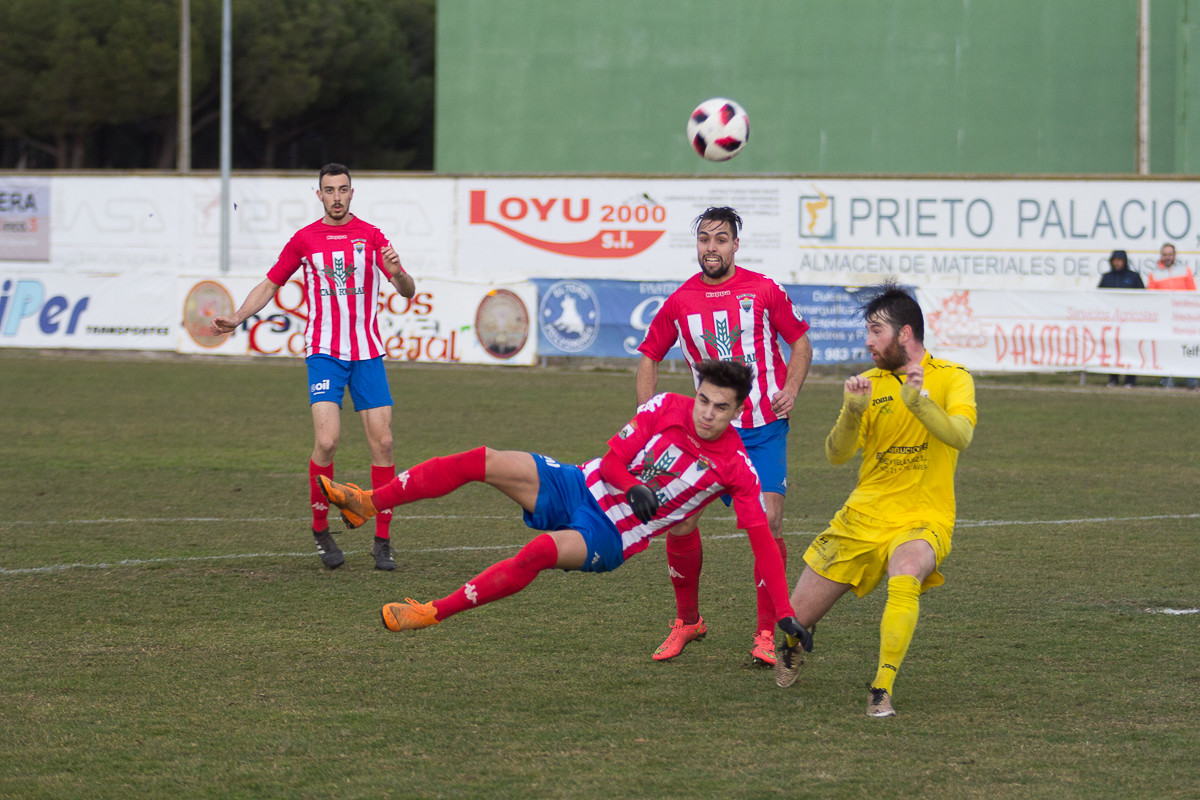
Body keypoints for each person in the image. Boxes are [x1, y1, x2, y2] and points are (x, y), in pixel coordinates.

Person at [315, 359, 811, 659]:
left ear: (737, 411)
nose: (706, 413)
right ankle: (366, 503)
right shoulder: (664, 407)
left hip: (611, 535)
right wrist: (631, 483)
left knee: (537, 552)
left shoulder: (738, 469)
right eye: (703, 400)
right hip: (578, 482)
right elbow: (615, 457)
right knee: (479, 460)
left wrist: (785, 613)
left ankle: (430, 612)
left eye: (719, 408)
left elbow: (761, 541)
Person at [773, 282, 976, 719]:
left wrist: (918, 403)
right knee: (793, 619)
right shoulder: (865, 384)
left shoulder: (952, 377)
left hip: (923, 517)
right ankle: (791, 647)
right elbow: (836, 454)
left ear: (905, 334)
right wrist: (851, 412)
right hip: (862, 517)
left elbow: (961, 436)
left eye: (875, 330)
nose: (867, 340)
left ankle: (881, 688)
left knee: (907, 570)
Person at [209, 163, 416, 570]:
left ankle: (383, 541)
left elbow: (407, 290)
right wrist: (237, 317)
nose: (336, 196)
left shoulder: (372, 237)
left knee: (385, 443)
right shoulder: (304, 240)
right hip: (324, 352)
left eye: (342, 189)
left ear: (352, 193)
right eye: (329, 190)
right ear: (318, 195)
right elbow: (271, 283)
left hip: (367, 353)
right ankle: (321, 529)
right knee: (327, 442)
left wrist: (400, 270)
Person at [635, 206, 813, 667]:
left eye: (720, 239)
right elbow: (650, 355)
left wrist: (790, 390)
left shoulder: (764, 290)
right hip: (705, 433)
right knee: (680, 522)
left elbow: (800, 341)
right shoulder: (679, 302)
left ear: (736, 245)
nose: (711, 248)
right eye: (704, 240)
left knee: (770, 524)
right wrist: (646, 415)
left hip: (762, 430)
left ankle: (765, 634)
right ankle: (688, 621)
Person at [1143, 243, 1199, 389]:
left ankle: (1192, 381)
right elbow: (1152, 297)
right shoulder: (1154, 273)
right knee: (1165, 348)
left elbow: (1192, 293)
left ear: (1174, 255)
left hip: (1183, 318)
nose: (1168, 257)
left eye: (1170, 254)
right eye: (1165, 254)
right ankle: (1167, 380)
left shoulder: (1184, 270)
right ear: (1161, 256)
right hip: (1164, 318)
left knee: (1187, 348)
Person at [1096, 249, 1144, 387]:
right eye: (1114, 260)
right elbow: (1099, 297)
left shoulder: (1133, 277)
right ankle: (1113, 378)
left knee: (1130, 349)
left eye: (1119, 260)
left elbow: (1143, 297)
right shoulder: (1107, 277)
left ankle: (1130, 379)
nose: (1117, 263)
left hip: (1130, 321)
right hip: (1112, 321)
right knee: (1112, 349)